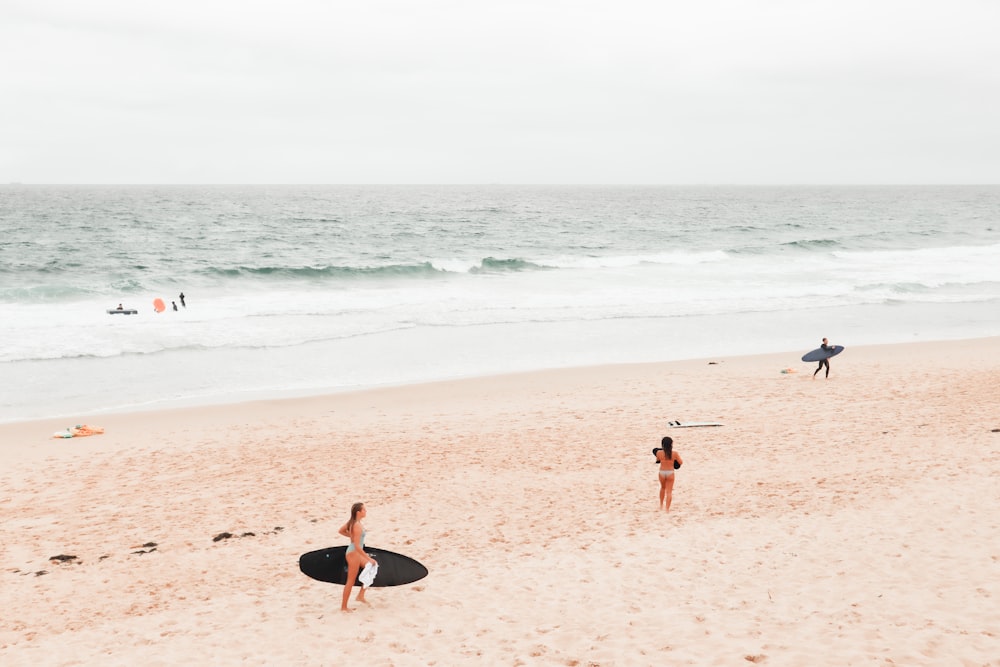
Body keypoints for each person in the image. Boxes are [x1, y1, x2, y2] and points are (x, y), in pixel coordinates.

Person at [338, 502, 376, 611]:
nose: (366, 511)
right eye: (364, 510)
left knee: (372, 567)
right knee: (350, 580)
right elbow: (357, 546)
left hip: (355, 552)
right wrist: (369, 558)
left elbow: (341, 531)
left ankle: (360, 595)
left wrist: (352, 536)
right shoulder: (357, 525)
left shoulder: (354, 522)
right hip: (354, 553)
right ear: (358, 512)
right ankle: (344, 607)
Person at [655, 436, 683, 512]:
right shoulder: (674, 453)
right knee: (669, 491)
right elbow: (681, 462)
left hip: (662, 472)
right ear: (671, 444)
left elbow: (657, 460)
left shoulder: (659, 453)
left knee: (662, 488)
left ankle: (661, 505)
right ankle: (667, 509)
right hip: (670, 472)